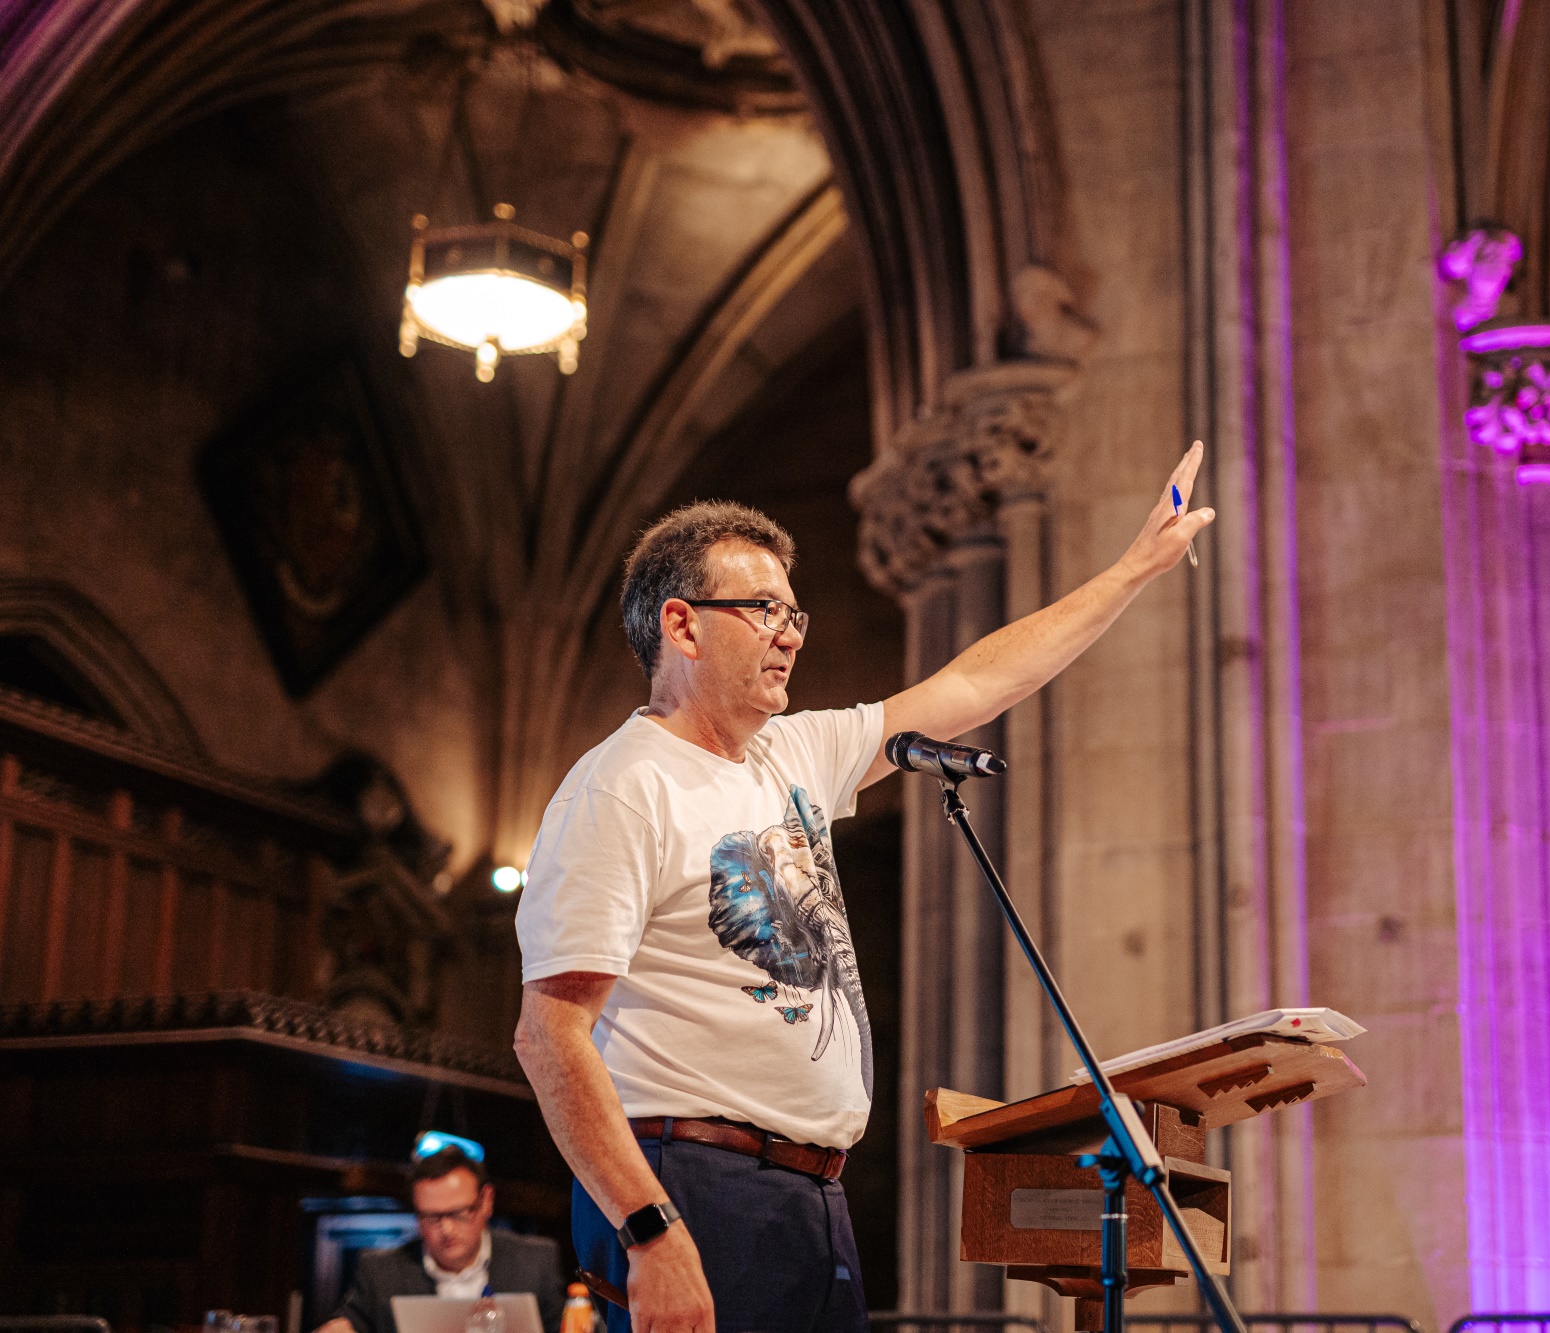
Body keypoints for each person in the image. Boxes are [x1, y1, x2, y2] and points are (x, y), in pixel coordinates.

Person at [512, 444, 1216, 1333]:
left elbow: (973, 682)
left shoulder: (792, 752)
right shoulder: (621, 787)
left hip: (810, 1191)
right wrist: (650, 1229)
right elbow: (549, 1035)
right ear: (682, 626)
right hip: (691, 1183)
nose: (791, 631)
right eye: (763, 608)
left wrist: (1128, 573)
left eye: (793, 610)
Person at [316, 1141, 567, 1333]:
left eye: (458, 1214)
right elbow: (346, 1324)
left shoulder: (535, 1263)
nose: (446, 1230)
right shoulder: (381, 1272)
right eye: (432, 1217)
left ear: (486, 1202)